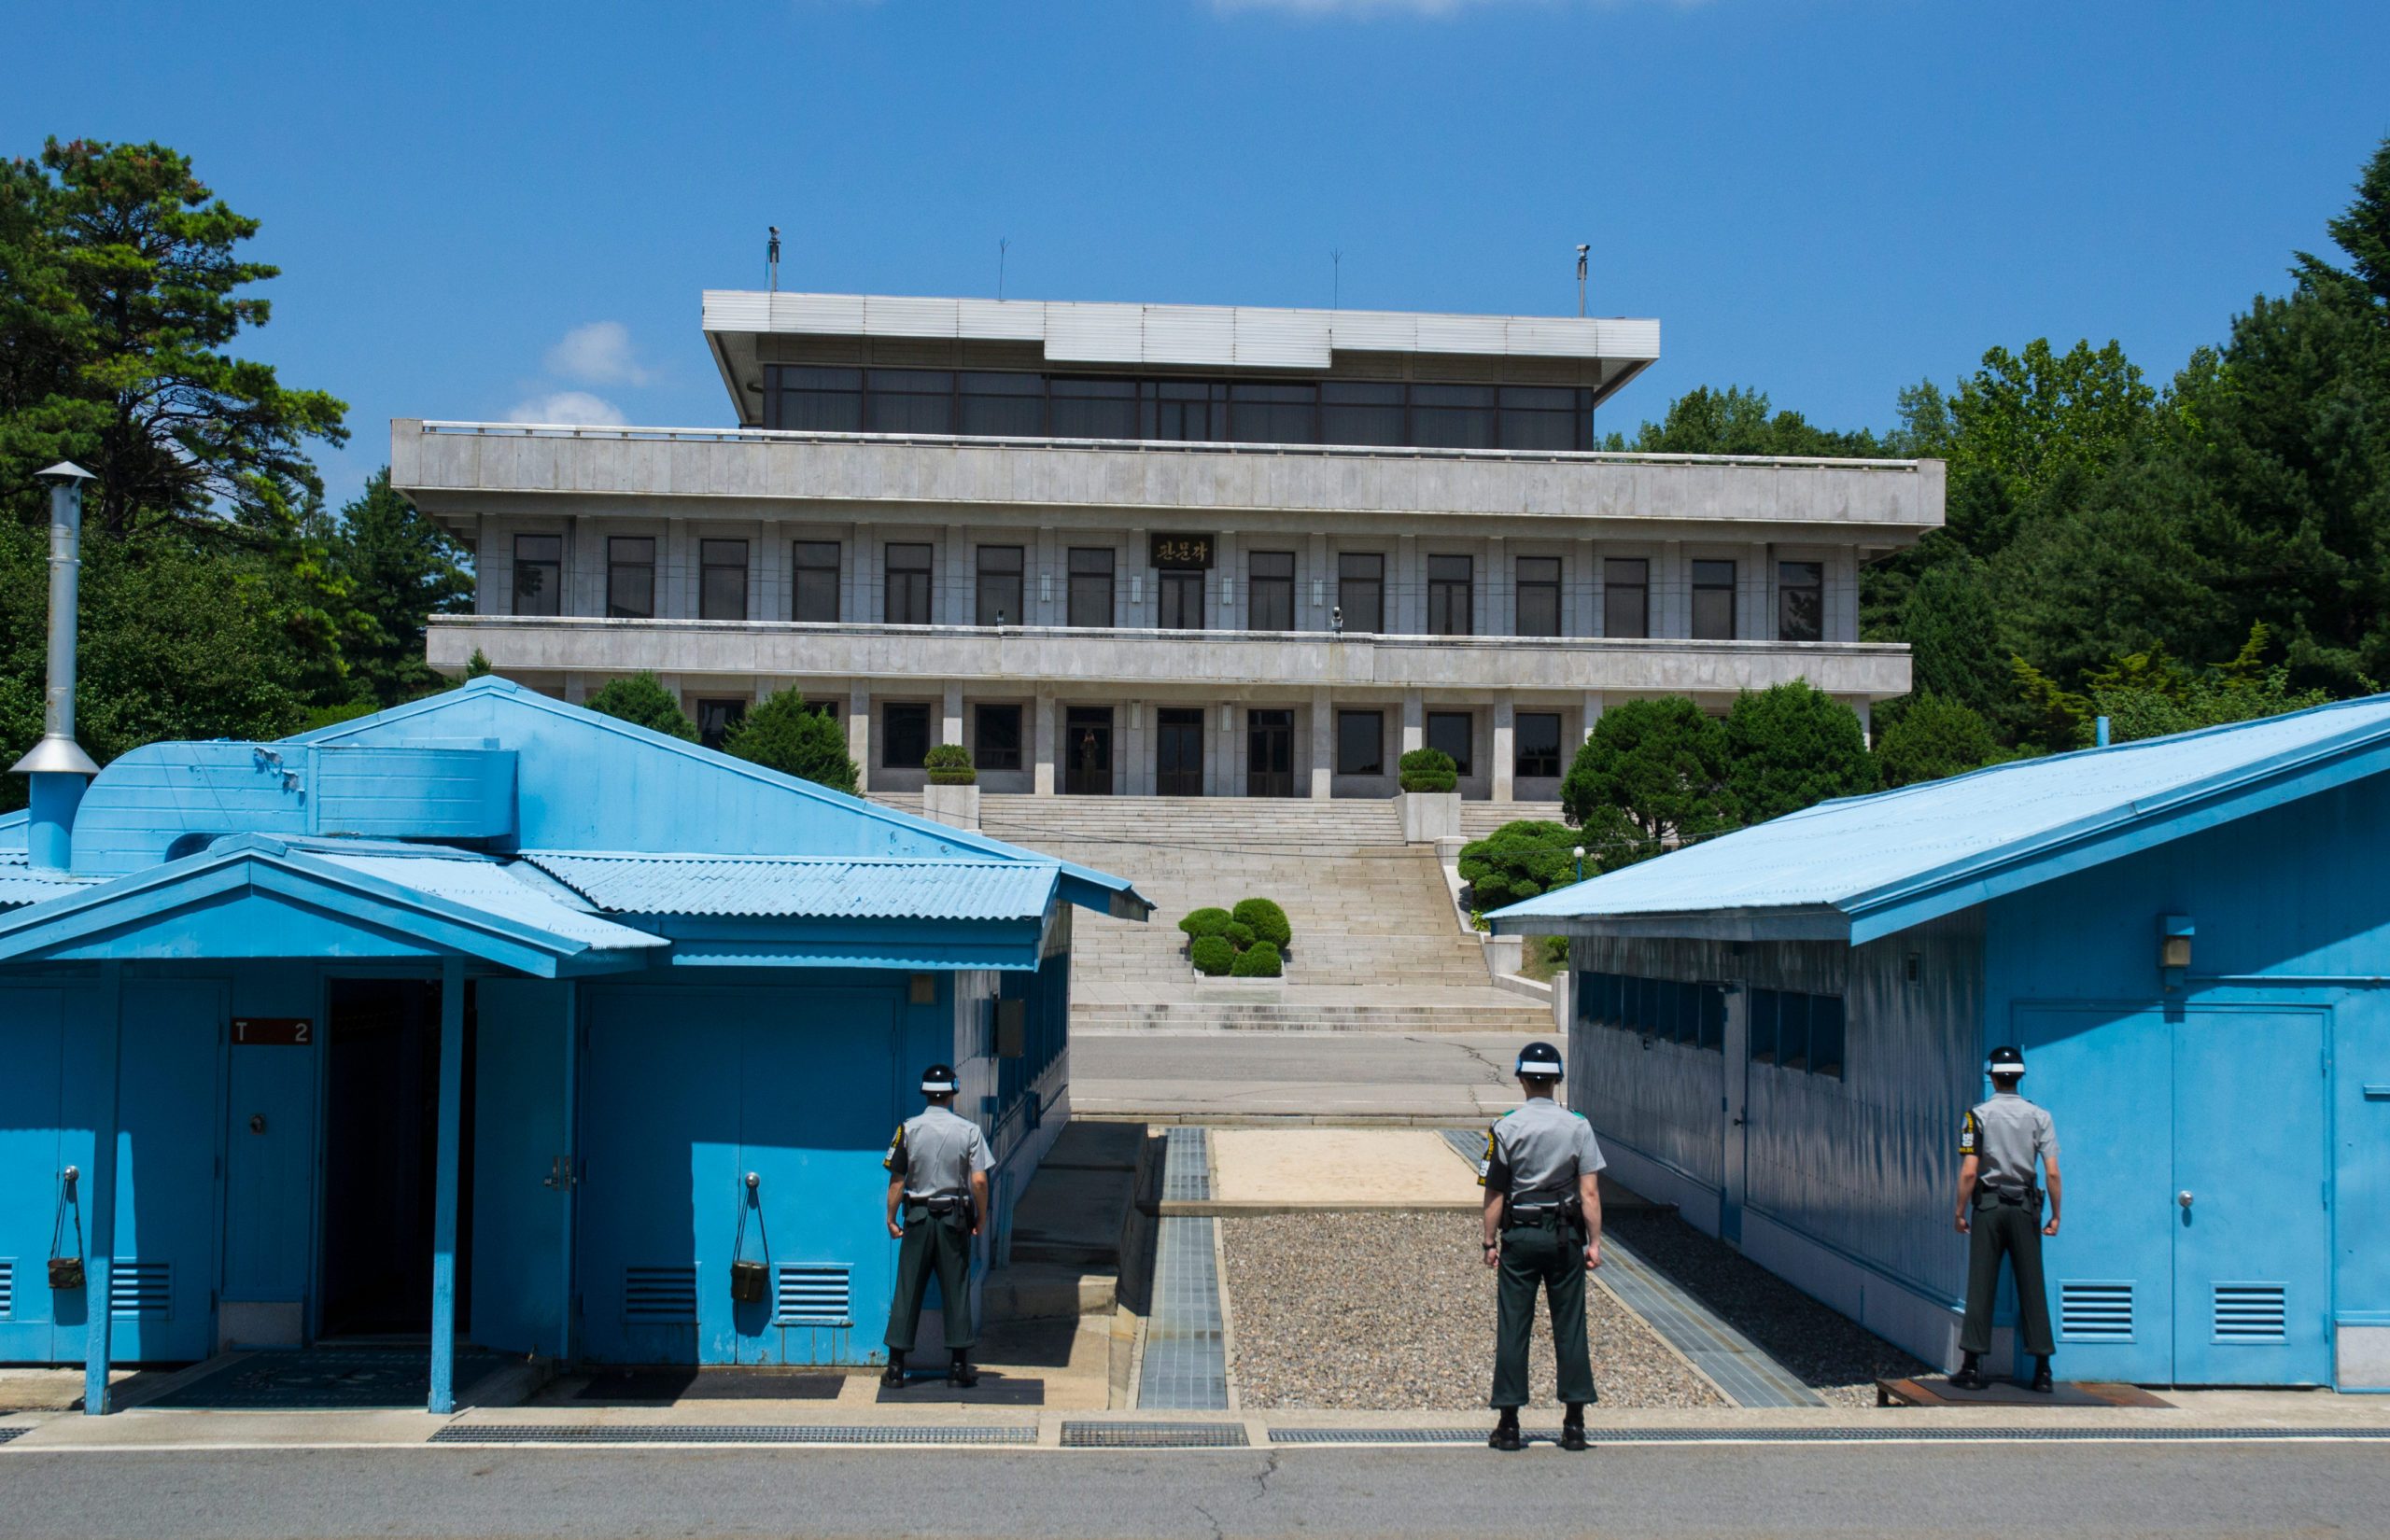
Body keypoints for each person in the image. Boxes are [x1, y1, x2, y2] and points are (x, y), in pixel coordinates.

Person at [1480, 1040, 1605, 1452]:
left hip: (1520, 1236)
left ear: (1520, 1079)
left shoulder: (1505, 1127)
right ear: (1557, 1080)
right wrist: (1595, 1244)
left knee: (1514, 1326)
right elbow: (1589, 1194)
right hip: (1566, 1237)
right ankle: (1574, 1424)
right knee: (1570, 1325)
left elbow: (1495, 1192)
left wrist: (1488, 1241)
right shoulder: (1578, 1126)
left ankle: (1510, 1423)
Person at [1951, 1044, 2063, 1393]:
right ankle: (2042, 1370)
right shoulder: (2040, 1116)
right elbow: (2053, 1173)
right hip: (2026, 1207)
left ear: (1992, 1077)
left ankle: (1971, 1368)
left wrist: (1959, 1211)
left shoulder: (1976, 1116)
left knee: (1981, 1282)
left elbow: (1970, 1172)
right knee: (2032, 1282)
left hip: (1988, 1205)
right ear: (2020, 1077)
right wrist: (2056, 1215)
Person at [880, 1063, 992, 1390]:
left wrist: (890, 1218)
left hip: (916, 1217)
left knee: (907, 1289)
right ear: (954, 1092)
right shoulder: (969, 1131)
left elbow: (897, 1181)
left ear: (924, 1093)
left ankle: (896, 1368)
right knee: (956, 1289)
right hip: (954, 1219)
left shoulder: (908, 1129)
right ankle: (958, 1368)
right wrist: (981, 1217)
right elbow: (980, 1181)